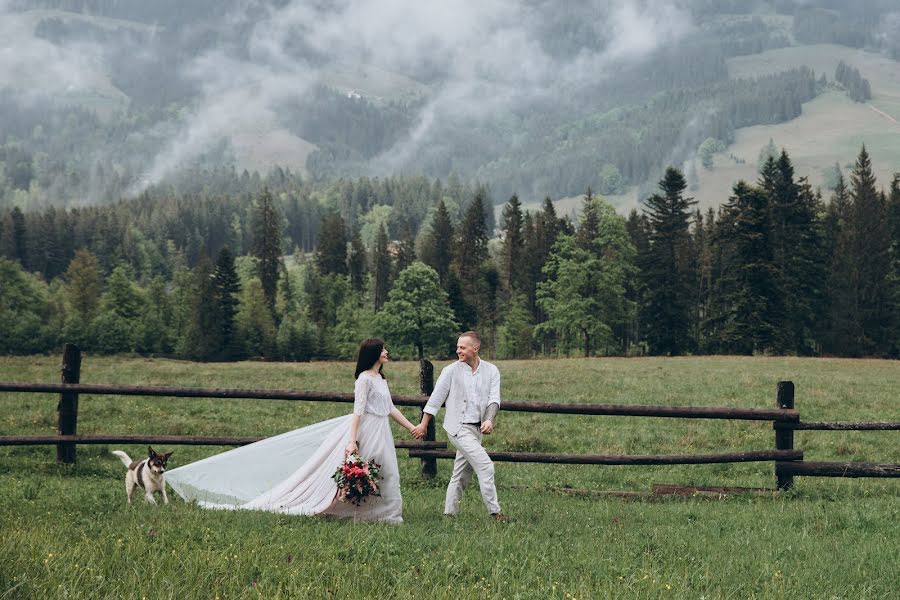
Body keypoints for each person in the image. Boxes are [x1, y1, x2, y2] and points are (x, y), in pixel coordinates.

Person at [166, 338, 422, 523]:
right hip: (367, 430)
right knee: (374, 468)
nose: (387, 351)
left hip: (382, 429)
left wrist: (412, 427)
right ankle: (366, 513)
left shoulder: (381, 379)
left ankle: (386, 513)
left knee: (386, 470)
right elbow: (357, 411)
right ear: (374, 353)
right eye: (383, 349)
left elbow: (389, 408)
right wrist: (352, 441)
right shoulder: (364, 379)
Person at [412, 331, 506, 521]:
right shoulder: (450, 370)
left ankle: (449, 514)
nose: (458, 351)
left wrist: (489, 420)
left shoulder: (491, 370)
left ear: (475, 348)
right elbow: (435, 399)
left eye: (462, 347)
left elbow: (494, 400)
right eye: (458, 347)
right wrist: (423, 424)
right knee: (486, 466)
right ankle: (495, 513)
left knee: (461, 473)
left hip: (476, 429)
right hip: (457, 428)